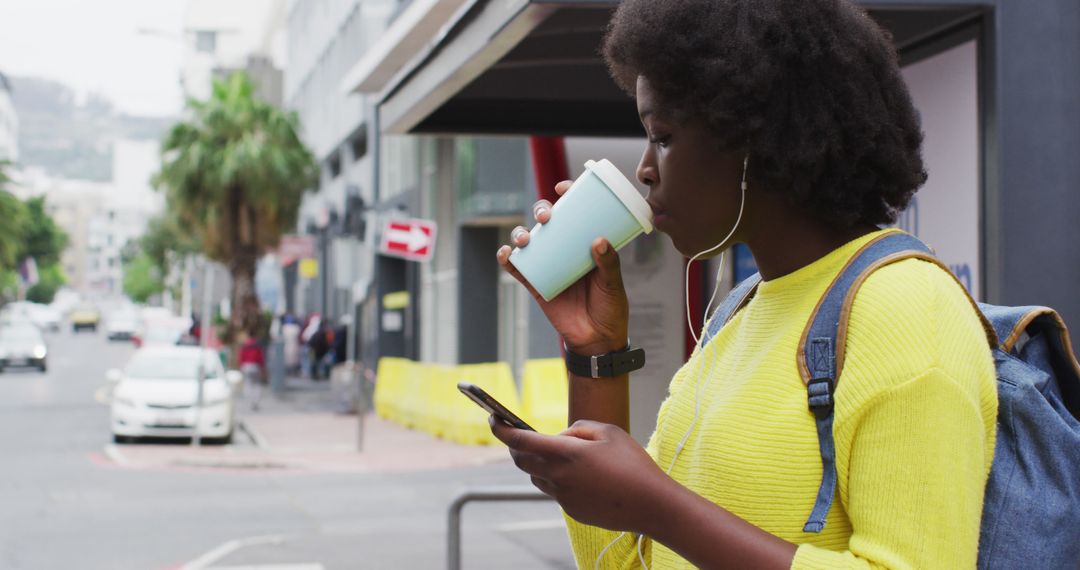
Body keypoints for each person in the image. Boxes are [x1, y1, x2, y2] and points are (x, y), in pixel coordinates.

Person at [492, 1, 997, 568]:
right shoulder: (738, 311)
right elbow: (621, 561)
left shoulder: (908, 310)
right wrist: (596, 353)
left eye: (662, 135)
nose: (645, 169)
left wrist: (658, 506)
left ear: (756, 134)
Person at [238, 332, 267, 411]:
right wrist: (262, 367)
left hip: (246, 366)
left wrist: (241, 366)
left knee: (248, 383)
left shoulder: (245, 345)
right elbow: (261, 358)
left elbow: (241, 357)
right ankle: (256, 401)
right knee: (257, 384)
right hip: (255, 366)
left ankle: (250, 401)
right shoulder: (257, 346)